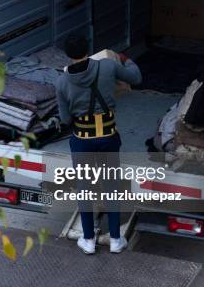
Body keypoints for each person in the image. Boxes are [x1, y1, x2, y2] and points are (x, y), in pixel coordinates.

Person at [55, 34, 142, 254]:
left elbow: (65, 120)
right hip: (108, 137)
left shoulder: (62, 81)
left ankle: (88, 240)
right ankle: (115, 240)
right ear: (89, 48)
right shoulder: (108, 66)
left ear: (67, 55)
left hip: (82, 141)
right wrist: (125, 59)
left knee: (85, 189)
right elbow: (136, 78)